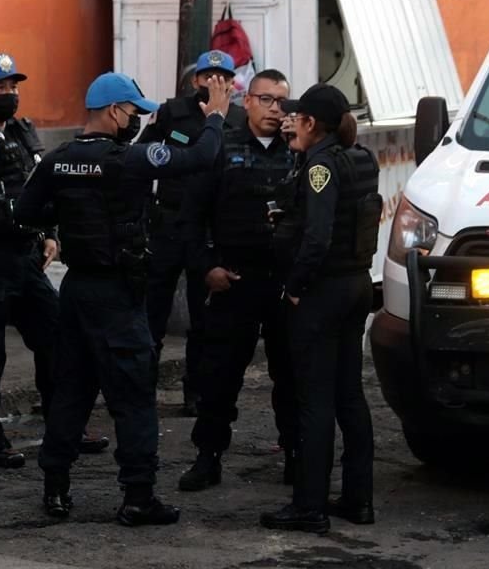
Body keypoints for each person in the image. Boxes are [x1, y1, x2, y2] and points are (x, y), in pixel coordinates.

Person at [16, 71, 230, 526]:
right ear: (114, 111)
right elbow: (201, 157)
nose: (136, 120)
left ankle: (55, 489)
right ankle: (138, 497)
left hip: (75, 291)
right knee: (133, 396)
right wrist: (214, 118)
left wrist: (73, 214)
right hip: (118, 292)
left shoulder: (57, 159)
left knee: (71, 391)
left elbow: (25, 212)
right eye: (133, 112)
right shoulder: (129, 160)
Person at [0, 53, 108, 469]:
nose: (8, 94)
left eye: (13, 87)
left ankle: (64, 424)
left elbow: (40, 187)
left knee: (57, 337)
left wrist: (50, 234)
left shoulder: (21, 132)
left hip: (26, 256)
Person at [260, 83, 381, 533]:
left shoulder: (321, 168)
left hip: (323, 292)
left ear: (313, 123)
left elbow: (317, 236)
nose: (289, 120)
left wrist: (294, 286)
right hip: (355, 286)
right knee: (350, 395)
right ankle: (357, 499)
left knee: (314, 400)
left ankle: (309, 506)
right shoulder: (359, 158)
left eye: (297, 116)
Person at [176, 70, 299, 492]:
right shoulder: (219, 147)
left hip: (283, 283)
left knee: (292, 376)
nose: (275, 109)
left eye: (282, 101)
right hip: (234, 279)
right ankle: (208, 457)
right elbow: (191, 215)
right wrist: (206, 267)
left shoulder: (299, 150)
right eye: (266, 99)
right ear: (246, 101)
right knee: (220, 376)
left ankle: (296, 455)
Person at [137, 50, 246, 416]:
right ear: (195, 80)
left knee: (204, 319)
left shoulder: (239, 119)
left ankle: (195, 392)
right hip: (168, 223)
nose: (214, 84)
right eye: (207, 77)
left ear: (232, 84)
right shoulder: (172, 112)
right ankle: (143, 389)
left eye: (222, 78)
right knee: (153, 312)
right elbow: (143, 153)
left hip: (207, 232)